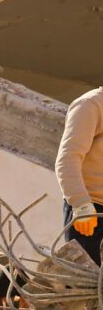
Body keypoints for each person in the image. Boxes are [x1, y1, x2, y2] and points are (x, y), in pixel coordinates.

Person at [55, 86, 103, 264]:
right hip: (91, 214)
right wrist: (81, 204)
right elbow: (67, 159)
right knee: (89, 287)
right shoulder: (91, 105)